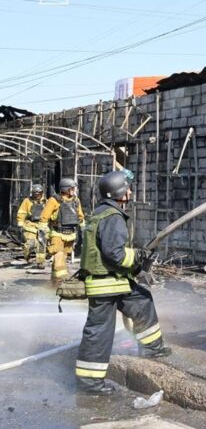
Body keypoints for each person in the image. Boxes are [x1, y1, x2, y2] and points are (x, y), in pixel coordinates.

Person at [75, 169, 171, 395]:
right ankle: (90, 384)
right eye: (127, 187)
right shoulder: (112, 217)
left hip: (114, 282)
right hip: (107, 283)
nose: (130, 190)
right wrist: (137, 256)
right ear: (119, 191)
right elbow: (114, 254)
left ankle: (152, 348)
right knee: (99, 332)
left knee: (142, 301)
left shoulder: (101, 212)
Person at [39, 178, 85, 286]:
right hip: (57, 234)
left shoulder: (76, 200)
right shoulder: (54, 200)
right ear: (66, 189)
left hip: (70, 235)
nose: (74, 190)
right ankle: (61, 281)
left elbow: (80, 217)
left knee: (62, 258)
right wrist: (43, 232)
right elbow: (44, 217)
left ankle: (54, 282)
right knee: (58, 256)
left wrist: (82, 231)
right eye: (72, 188)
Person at [16, 184, 47, 268]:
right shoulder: (27, 201)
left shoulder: (46, 202)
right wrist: (20, 224)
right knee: (30, 243)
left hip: (42, 225)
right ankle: (27, 256)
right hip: (30, 225)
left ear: (42, 193)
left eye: (39, 193)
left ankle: (40, 262)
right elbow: (22, 213)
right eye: (35, 194)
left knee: (41, 244)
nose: (37, 195)